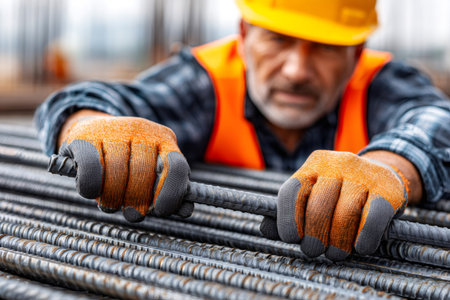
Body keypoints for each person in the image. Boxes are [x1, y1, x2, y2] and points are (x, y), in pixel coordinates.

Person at [35, 0, 450, 261]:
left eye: (324, 47)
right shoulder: (205, 81)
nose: (296, 70)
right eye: (277, 39)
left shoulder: (382, 83)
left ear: (356, 53)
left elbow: (435, 121)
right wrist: (94, 126)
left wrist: (388, 167)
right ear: (245, 35)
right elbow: (85, 102)